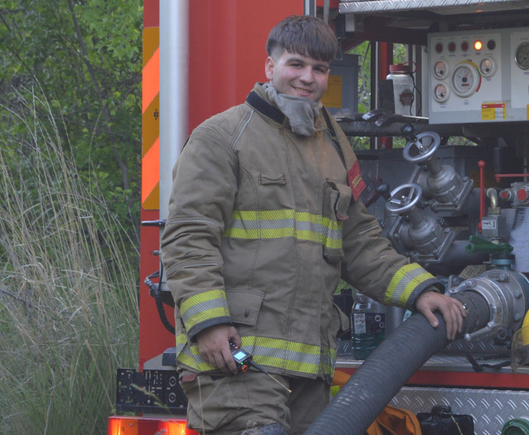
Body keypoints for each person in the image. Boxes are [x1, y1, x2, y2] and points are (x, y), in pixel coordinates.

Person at [160, 15, 465, 435]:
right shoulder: (221, 137)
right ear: (270, 67)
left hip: (308, 372)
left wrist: (419, 290)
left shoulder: (333, 143)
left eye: (319, 69)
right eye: (296, 65)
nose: (307, 78)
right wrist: (208, 324)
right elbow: (188, 238)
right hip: (237, 363)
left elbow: (359, 240)